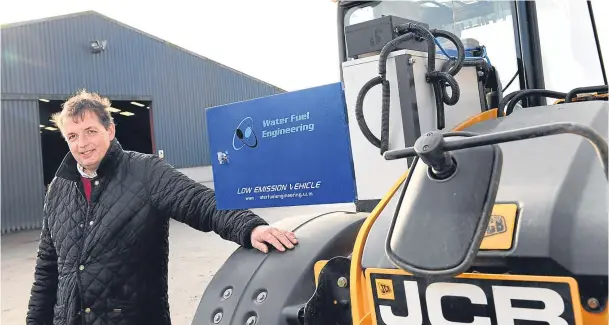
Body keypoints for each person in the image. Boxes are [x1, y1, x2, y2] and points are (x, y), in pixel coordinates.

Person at [26, 89, 298, 325]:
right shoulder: (59, 189)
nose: (82, 143)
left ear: (110, 130)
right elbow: (47, 270)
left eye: (90, 131)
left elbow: (199, 201)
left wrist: (249, 227)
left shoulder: (146, 172)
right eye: (72, 136)